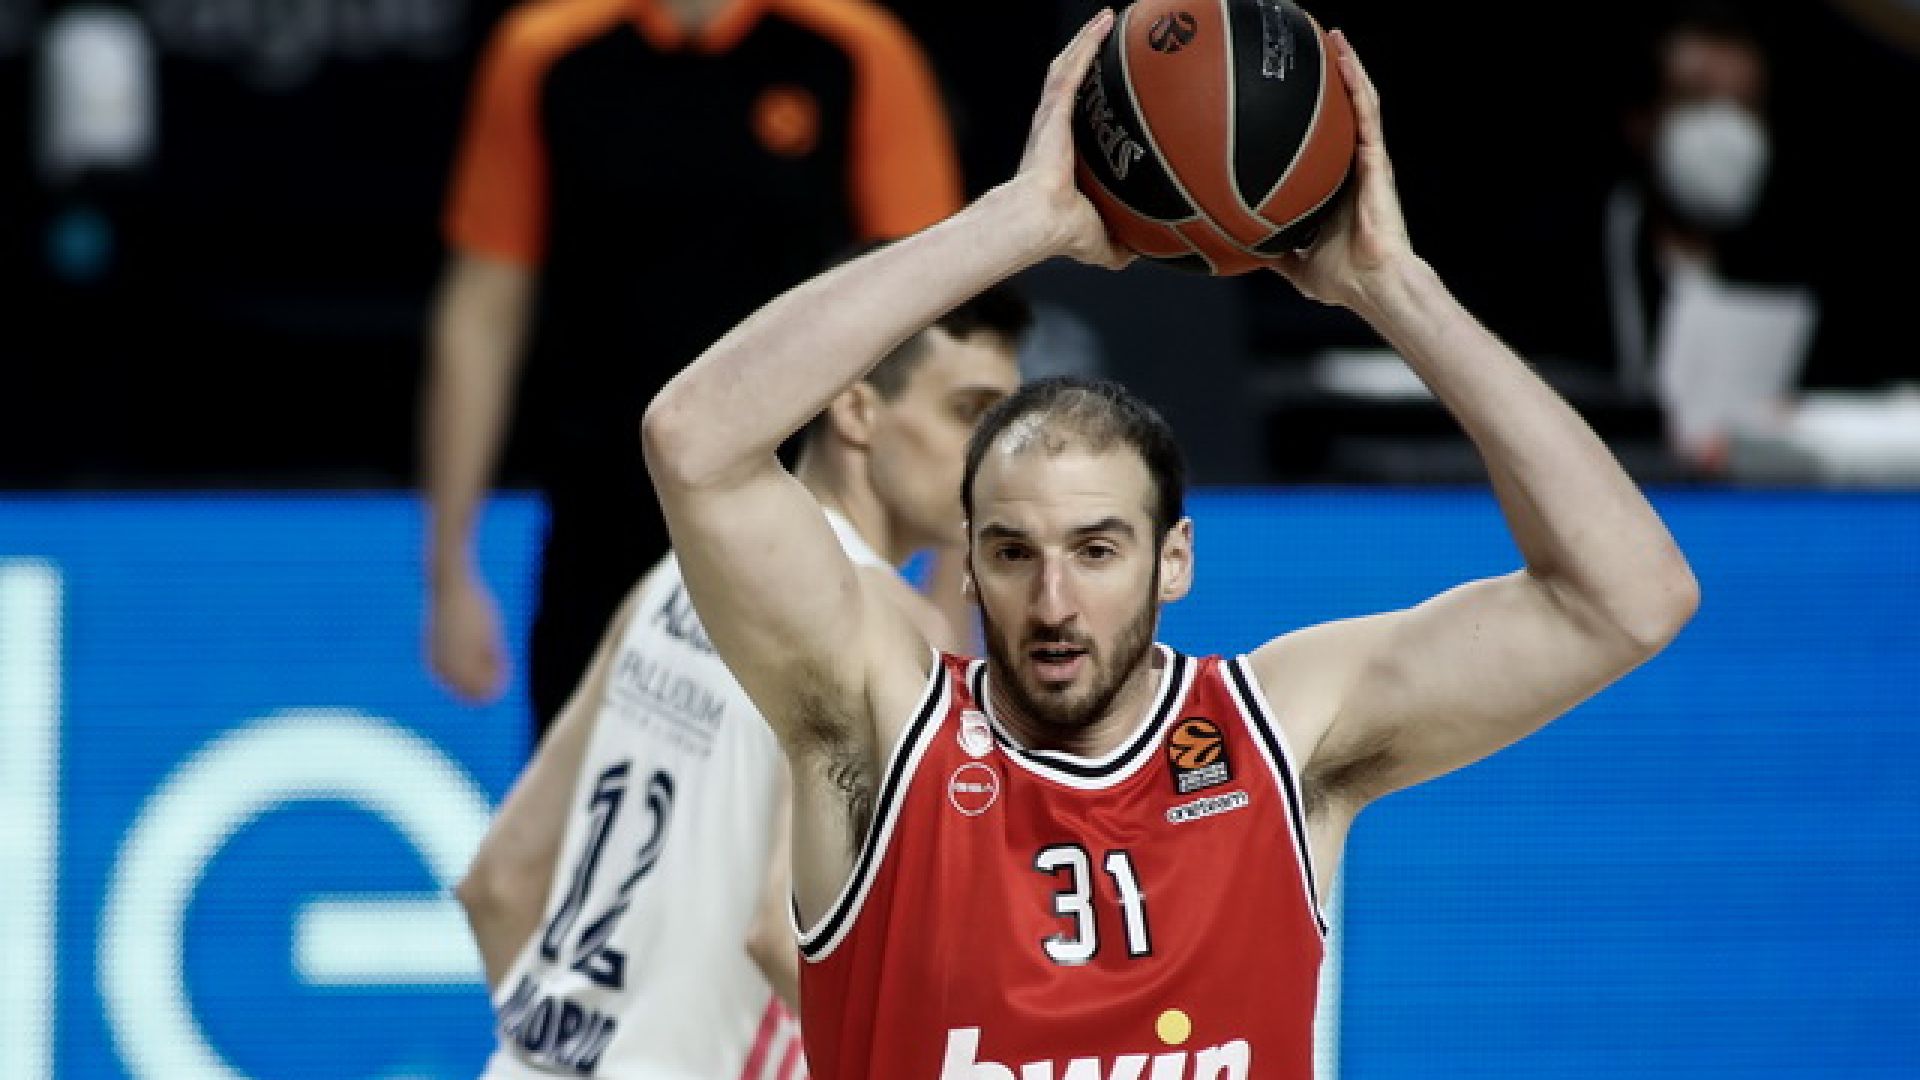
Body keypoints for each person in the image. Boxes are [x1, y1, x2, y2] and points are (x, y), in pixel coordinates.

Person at [641, 12, 1699, 1078]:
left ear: (1175, 560)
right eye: (1013, 553)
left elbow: (1630, 597)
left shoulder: (1282, 732)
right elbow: (695, 442)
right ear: (969, 558)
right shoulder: (882, 730)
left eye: (1097, 550)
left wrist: (1395, 288)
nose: (1055, 601)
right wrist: (1014, 223)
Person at [454, 285, 1027, 1079]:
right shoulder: (880, 624)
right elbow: (790, 942)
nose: (996, 456)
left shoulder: (677, 576)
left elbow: (501, 880)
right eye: (970, 412)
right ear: (855, 410)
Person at [422, 0, 964, 747]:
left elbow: (941, 313)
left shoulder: (854, 48)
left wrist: (953, 580)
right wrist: (450, 567)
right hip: (602, 530)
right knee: (585, 801)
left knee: (812, 806)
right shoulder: (548, 52)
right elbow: (484, 312)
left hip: (808, 537)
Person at [1604, 2, 1815, 470]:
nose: (1726, 131)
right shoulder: (1573, 262)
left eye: (1745, 106)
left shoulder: (1800, 258)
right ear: (1642, 119)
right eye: (1697, 100)